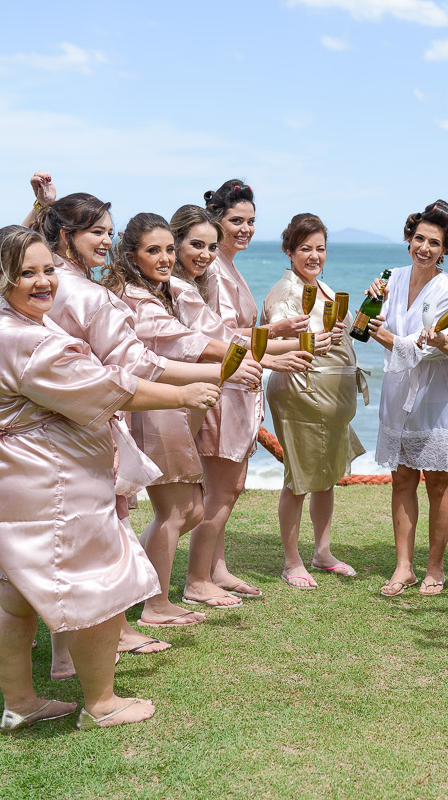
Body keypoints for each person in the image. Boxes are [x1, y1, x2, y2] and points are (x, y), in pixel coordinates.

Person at [0, 226, 218, 731]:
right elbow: (109, 386)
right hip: (48, 480)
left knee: (13, 592)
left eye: (47, 271)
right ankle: (101, 704)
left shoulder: (1, 321)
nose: (43, 283)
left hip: (9, 471)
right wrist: (184, 395)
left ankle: (21, 703)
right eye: (27, 274)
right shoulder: (32, 343)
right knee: (97, 586)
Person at [27, 179, 262, 670]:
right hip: (85, 417)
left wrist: (44, 208)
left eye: (108, 232)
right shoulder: (82, 290)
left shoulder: (78, 283)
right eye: (97, 232)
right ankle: (107, 633)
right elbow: (139, 361)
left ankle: (74, 645)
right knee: (97, 529)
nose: (105, 242)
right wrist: (207, 378)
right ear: (67, 235)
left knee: (94, 528)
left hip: (88, 414)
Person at [103, 212, 278, 621]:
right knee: (176, 510)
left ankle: (141, 590)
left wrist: (272, 349)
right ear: (131, 255)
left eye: (167, 250)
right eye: (154, 251)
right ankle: (154, 603)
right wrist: (255, 360)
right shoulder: (137, 298)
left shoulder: (164, 291)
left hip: (173, 407)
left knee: (191, 509)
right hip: (153, 407)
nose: (165, 258)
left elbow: (213, 332)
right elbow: (191, 341)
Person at [168, 204, 312, 604]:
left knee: (224, 488)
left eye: (251, 221)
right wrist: (278, 350)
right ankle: (196, 579)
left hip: (237, 380)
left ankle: (215, 569)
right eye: (236, 221)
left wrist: (285, 336)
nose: (245, 229)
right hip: (224, 384)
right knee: (222, 489)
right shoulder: (209, 272)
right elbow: (218, 338)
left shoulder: (222, 264)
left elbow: (230, 333)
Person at [365, 200, 448, 597]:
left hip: (437, 395)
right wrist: (369, 306)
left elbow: (432, 344)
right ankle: (403, 567)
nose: (424, 248)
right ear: (409, 238)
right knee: (401, 478)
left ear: (445, 249)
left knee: (437, 484)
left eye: (434, 243)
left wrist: (391, 340)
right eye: (419, 239)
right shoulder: (390, 277)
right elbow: (367, 322)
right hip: (398, 389)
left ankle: (435, 568)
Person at [262, 213, 365, 589]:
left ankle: (322, 552)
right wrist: (313, 340)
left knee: (326, 478)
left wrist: (348, 326)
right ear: (289, 251)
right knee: (300, 479)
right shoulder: (285, 293)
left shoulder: (324, 288)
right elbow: (278, 338)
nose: (314, 255)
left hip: (330, 399)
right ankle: (292, 562)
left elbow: (350, 334)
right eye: (305, 248)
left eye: (320, 248)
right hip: (300, 394)